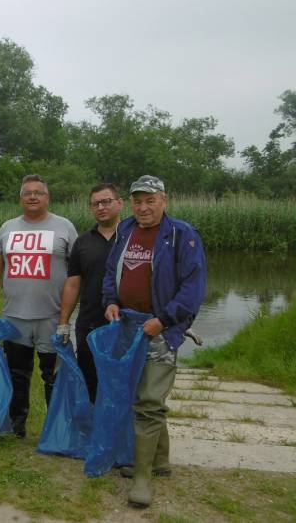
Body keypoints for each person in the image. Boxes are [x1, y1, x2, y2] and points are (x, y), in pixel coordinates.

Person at [102, 175, 206, 507]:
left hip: (161, 329)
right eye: (138, 200)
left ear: (164, 200)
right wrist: (111, 301)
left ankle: (143, 478)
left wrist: (163, 320)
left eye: (150, 200)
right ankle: (159, 462)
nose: (143, 207)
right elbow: (110, 272)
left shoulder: (182, 235)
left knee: (147, 400)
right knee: (139, 395)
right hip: (128, 327)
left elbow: (193, 288)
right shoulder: (125, 230)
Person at [0, 174, 78, 437]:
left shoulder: (65, 227)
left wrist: (66, 319)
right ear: (21, 198)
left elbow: (76, 275)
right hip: (15, 317)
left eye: (39, 193)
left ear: (48, 198)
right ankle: (16, 425)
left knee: (54, 376)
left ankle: (57, 428)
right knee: (17, 374)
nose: (33, 197)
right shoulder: (7, 228)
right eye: (27, 193)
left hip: (52, 317)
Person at [58, 183, 123, 403]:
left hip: (126, 324)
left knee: (122, 384)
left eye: (106, 201)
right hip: (89, 323)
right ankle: (93, 432)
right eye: (95, 204)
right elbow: (73, 284)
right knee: (90, 381)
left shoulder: (134, 238)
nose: (101, 207)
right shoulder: (83, 242)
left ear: (120, 203)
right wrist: (64, 322)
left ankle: (124, 434)